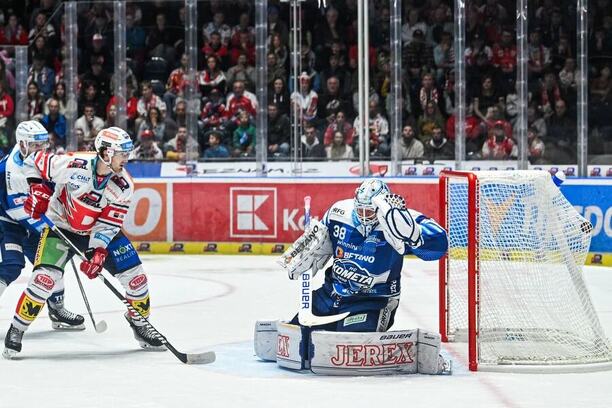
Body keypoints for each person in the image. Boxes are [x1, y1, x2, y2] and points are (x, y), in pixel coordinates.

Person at [3, 127, 166, 358]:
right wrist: (37, 189)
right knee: (44, 280)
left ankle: (140, 324)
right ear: (106, 153)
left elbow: (109, 223)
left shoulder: (124, 185)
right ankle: (17, 329)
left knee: (136, 278)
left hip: (95, 233)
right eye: (122, 153)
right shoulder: (73, 164)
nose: (126, 159)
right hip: (62, 228)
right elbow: (33, 161)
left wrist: (97, 251)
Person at [284, 179, 448, 332]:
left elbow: (440, 245)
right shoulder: (338, 212)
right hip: (330, 295)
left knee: (350, 344)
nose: (364, 216)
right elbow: (315, 242)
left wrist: (415, 235)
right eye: (360, 209)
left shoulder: (401, 219)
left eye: (369, 211)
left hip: (373, 301)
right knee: (296, 334)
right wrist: (297, 255)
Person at [0, 121, 85, 333]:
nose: (41, 150)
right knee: (12, 264)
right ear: (22, 144)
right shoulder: (9, 171)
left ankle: (57, 310)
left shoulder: (44, 161)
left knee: (51, 262)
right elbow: (18, 208)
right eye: (35, 145)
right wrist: (52, 229)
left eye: (43, 144)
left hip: (32, 220)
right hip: (9, 221)